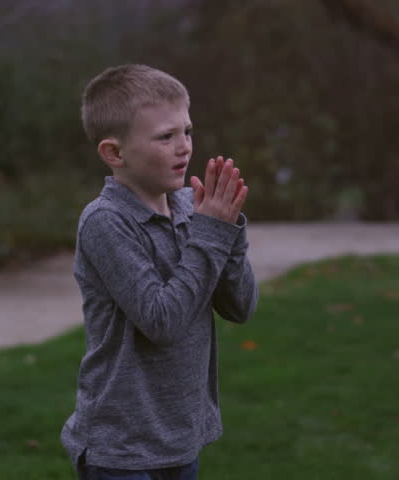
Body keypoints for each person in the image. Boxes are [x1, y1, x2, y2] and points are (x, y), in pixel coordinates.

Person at [60, 64, 258, 480]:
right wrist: (211, 233)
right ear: (115, 153)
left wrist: (229, 231)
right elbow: (162, 321)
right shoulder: (105, 221)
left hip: (179, 439)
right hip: (121, 449)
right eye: (166, 137)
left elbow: (239, 307)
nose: (184, 147)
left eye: (187, 131)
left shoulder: (191, 208)